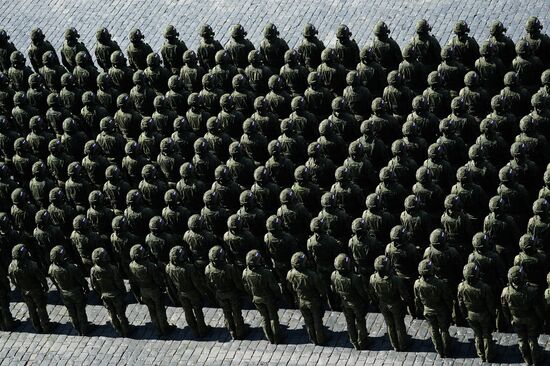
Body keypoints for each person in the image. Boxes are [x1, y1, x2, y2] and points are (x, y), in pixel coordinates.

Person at [501, 266, 544, 365]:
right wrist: (541, 319)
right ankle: (536, 359)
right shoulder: (531, 290)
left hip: (516, 319)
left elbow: (505, 309)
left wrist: (509, 319)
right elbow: (537, 309)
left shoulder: (505, 292)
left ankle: (527, 360)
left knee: (521, 339)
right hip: (531, 319)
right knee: (532, 339)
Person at [128, 244, 174, 336]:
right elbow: (158, 280)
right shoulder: (150, 266)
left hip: (143, 291)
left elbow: (132, 281)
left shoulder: (131, 265)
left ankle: (157, 328)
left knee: (151, 310)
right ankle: (164, 328)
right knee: (160, 309)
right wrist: (162, 287)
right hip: (154, 290)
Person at [369, 255, 411, 351]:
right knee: (399, 325)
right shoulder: (395, 280)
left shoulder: (373, 278)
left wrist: (376, 302)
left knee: (390, 325)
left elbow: (371, 292)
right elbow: (404, 294)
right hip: (395, 304)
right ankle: (403, 344)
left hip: (383, 304)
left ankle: (395, 345)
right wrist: (407, 303)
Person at [204, 245, 247, 340]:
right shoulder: (229, 268)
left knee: (226, 312)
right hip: (232, 293)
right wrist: (241, 290)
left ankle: (231, 330)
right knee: (236, 312)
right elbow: (236, 281)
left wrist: (216, 292)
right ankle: (240, 332)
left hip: (220, 293)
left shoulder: (208, 269)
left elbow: (209, 284)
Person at [165, 246, 209, 337]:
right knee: (197, 310)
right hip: (192, 292)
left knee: (187, 311)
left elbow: (170, 284)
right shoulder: (189, 268)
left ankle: (194, 330)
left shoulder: (168, 267)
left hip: (180, 293)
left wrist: (175, 294)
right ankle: (202, 330)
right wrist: (202, 292)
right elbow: (196, 283)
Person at [414, 259, 454, 358]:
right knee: (444, 330)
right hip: (440, 310)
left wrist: (421, 308)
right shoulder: (439, 283)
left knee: (433, 330)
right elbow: (447, 298)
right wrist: (450, 310)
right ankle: (447, 350)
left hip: (428, 310)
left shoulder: (417, 283)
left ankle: (439, 351)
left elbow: (417, 299)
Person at [8, 244, 52, 333]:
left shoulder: (11, 267)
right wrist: (45, 286)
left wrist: (21, 287)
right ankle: (46, 326)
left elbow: (13, 281)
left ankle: (37, 327)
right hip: (36, 290)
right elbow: (41, 278)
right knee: (41, 308)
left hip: (25, 290)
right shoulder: (32, 265)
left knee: (31, 309)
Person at [242, 249, 282, 344]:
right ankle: (277, 338)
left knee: (264, 317)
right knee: (273, 317)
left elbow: (246, 287)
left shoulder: (245, 272)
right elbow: (274, 287)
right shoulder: (266, 272)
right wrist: (278, 296)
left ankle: (269, 338)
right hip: (268, 298)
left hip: (256, 298)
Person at [457, 263, 495, 362]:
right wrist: (492, 315)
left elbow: (461, 303)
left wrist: (465, 315)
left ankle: (481, 355)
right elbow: (490, 304)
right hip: (484, 314)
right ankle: (489, 356)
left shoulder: (461, 287)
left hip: (471, 314)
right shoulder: (484, 287)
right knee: (486, 335)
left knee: (478, 335)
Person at [331, 253, 370, 349]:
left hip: (345, 302)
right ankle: (362, 341)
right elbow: (361, 292)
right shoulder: (355, 278)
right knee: (360, 322)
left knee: (350, 322)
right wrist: (366, 300)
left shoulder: (334, 275)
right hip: (356, 304)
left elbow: (334, 289)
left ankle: (354, 341)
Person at [90, 247, 132, 337]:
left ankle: (118, 330)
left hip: (104, 295)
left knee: (111, 314)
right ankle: (126, 330)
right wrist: (123, 292)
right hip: (115, 295)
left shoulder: (93, 270)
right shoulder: (112, 268)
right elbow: (119, 283)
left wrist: (101, 293)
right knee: (120, 314)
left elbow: (94, 285)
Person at [286, 252, 326, 345]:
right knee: (317, 321)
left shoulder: (290, 274)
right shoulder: (311, 275)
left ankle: (312, 339)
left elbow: (289, 287)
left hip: (301, 300)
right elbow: (320, 289)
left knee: (308, 321)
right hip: (313, 301)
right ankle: (320, 339)